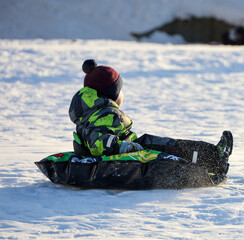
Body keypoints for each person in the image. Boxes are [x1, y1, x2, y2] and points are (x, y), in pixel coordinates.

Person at [69, 59, 233, 177]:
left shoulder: (91, 113)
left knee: (163, 144)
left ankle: (212, 160)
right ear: (110, 94)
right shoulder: (104, 113)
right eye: (119, 91)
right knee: (168, 146)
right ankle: (215, 158)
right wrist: (125, 148)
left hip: (128, 149)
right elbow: (98, 142)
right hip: (128, 154)